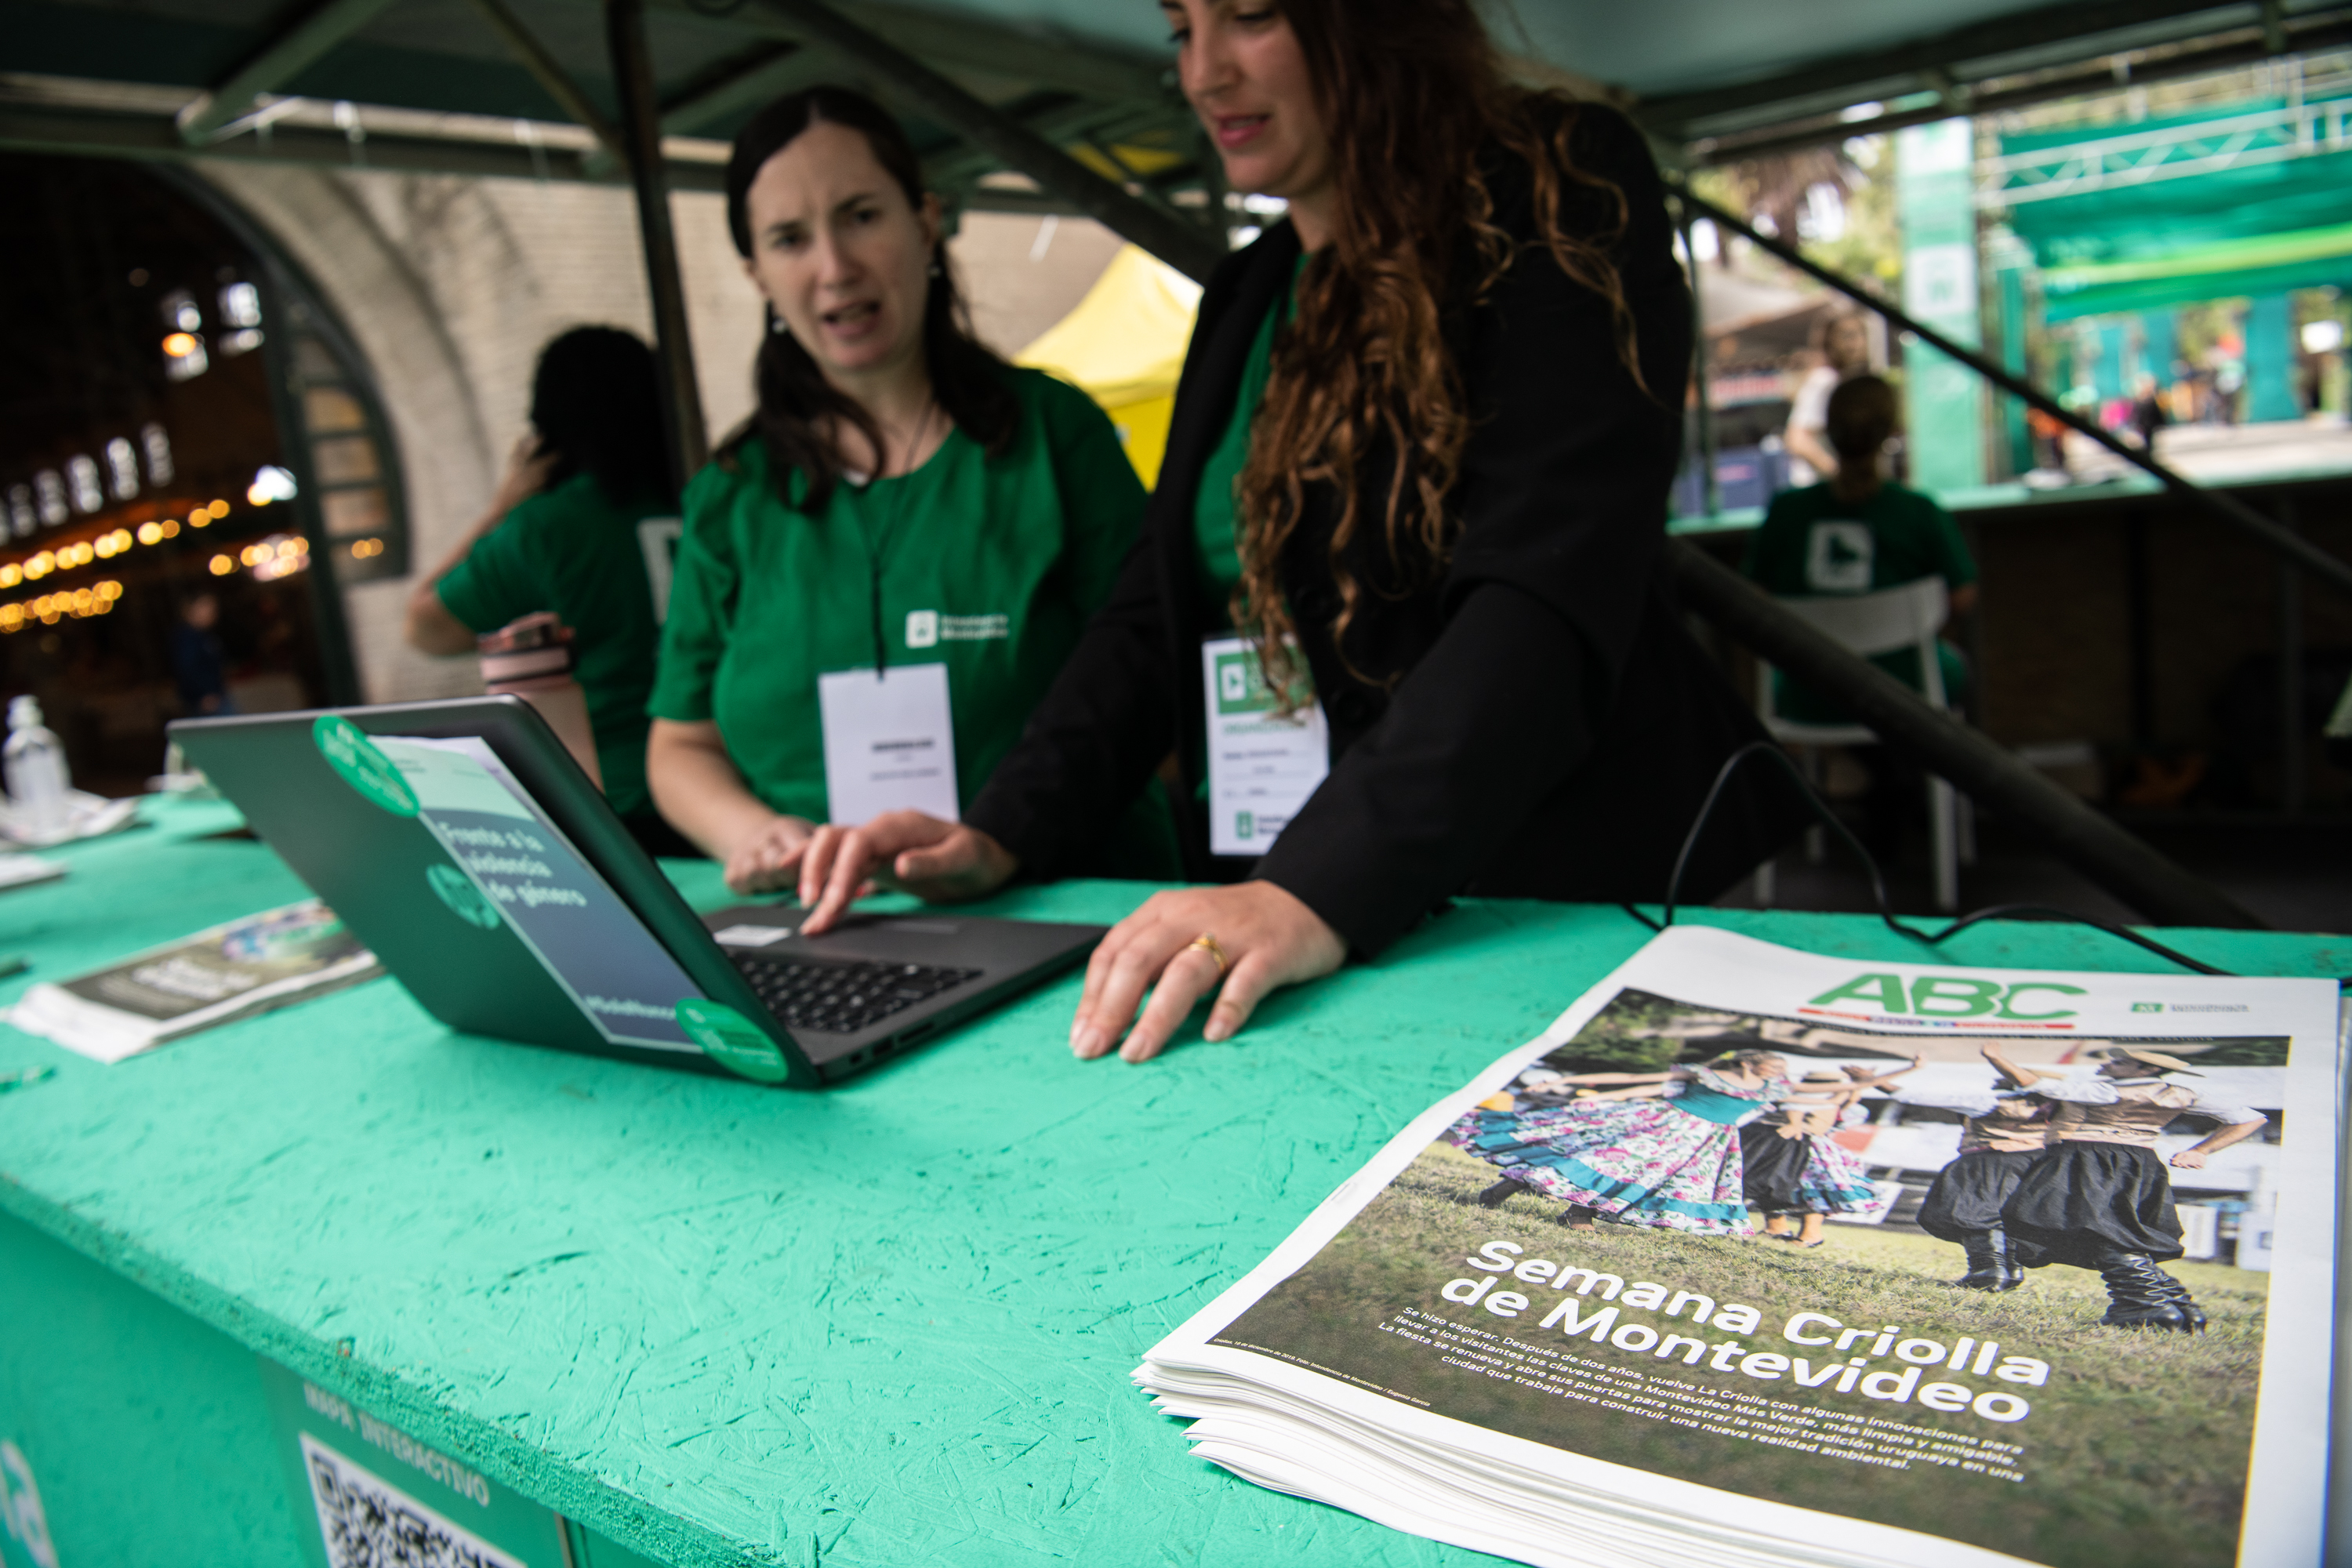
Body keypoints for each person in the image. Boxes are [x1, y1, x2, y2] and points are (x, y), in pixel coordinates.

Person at [788, 0, 1802, 1064]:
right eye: (1181, 29)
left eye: (1251, 15)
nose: (1204, 73)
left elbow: (1543, 584)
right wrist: (1000, 830)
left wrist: (1315, 885)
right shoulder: (1251, 290)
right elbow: (1153, 611)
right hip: (1325, 916)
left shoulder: (1557, 184)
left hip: (1573, 898)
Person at [643, 88, 1174, 895]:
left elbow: (1150, 673)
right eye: (790, 239)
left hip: (1064, 902)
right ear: (757, 274)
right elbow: (680, 745)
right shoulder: (732, 494)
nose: (835, 268)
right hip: (828, 922)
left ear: (925, 222)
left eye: (861, 216)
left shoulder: (1054, 435)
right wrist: (752, 833)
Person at [405, 327, 678, 851]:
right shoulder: (708, 500)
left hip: (614, 801)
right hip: (721, 790)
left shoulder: (548, 528)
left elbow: (426, 629)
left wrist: (501, 506)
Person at [2000, 1047, 2268, 1332]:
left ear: (2148, 1069)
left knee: (2092, 1230)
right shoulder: (2182, 1093)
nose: (2109, 1064)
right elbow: (2251, 1118)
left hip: (2087, 1159)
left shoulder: (2104, 1091)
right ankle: (2177, 1306)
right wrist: (2201, 1151)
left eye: (2120, 1062)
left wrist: (1996, 1057)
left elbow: (2036, 1083)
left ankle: (2146, 1306)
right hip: (2138, 1163)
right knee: (2113, 1232)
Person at [1447, 1050, 1792, 1234]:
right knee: (1600, 1162)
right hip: (1661, 1124)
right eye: (1772, 1067)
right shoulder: (1707, 1074)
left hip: (1701, 1142)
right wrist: (1561, 1083)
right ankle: (1571, 1211)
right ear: (1747, 1062)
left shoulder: (1771, 1089)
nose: (1778, 1073)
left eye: (1779, 1069)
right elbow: (1631, 1078)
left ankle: (1538, 1201)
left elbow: (1816, 1093)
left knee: (1635, 1176)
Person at [1892, 1044, 2059, 1290]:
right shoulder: (2054, 1105)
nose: (1995, 1083)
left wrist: (1876, 1082)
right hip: (2032, 1162)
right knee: (2004, 1217)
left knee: (1973, 1214)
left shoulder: (1992, 1103)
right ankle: (2010, 1269)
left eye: (2001, 1080)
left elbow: (1911, 1096)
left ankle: (1988, 1270)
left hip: (1988, 1161)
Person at [1743, 1059, 1916, 1247]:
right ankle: (1778, 1228)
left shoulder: (1829, 1102)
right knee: (1777, 1186)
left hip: (1809, 1149)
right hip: (1794, 1146)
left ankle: (1808, 1234)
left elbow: (1839, 1109)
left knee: (1811, 1191)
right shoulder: (1820, 1100)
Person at [1782, 311, 1871, 488]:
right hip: (1821, 490)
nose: (1855, 343)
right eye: (1847, 336)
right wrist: (1839, 474)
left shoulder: (1843, 381)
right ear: (1829, 342)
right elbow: (1797, 439)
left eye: (1860, 334)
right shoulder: (1824, 380)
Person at [171, 592, 231, 716]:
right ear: (191, 609)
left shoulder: (204, 635)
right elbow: (187, 668)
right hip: (207, 700)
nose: (212, 612)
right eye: (206, 606)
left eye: (214, 608)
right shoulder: (187, 638)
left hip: (217, 695)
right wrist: (203, 694)